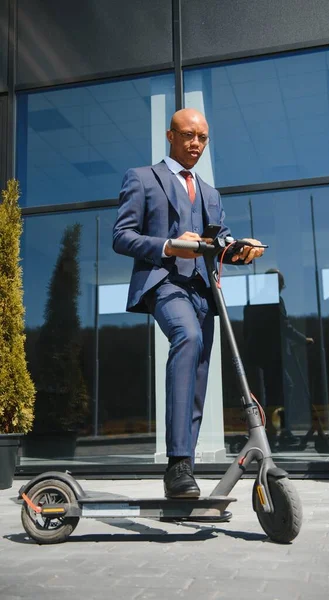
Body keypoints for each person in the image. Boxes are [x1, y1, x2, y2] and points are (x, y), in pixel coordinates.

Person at [113, 108, 264, 498]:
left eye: (202, 138)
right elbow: (122, 236)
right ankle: (176, 464)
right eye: (188, 135)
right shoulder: (143, 178)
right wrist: (169, 244)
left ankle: (185, 473)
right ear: (170, 135)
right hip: (163, 282)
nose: (195, 143)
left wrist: (239, 249)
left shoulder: (211, 193)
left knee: (198, 372)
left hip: (203, 291)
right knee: (187, 336)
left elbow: (220, 242)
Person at [243, 269, 313, 448]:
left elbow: (246, 331)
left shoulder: (252, 302)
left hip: (257, 355)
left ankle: (271, 430)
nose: (282, 288)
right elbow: (284, 326)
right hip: (273, 355)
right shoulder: (274, 300)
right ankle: (281, 431)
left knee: (267, 392)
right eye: (281, 285)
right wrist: (303, 340)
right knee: (283, 389)